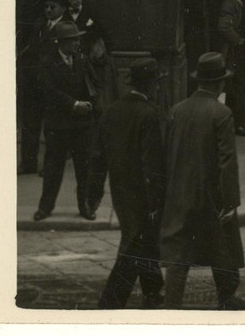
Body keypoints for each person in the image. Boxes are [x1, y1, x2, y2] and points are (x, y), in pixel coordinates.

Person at [160, 52, 245, 310]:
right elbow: (227, 162)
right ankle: (227, 298)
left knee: (179, 253)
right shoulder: (221, 113)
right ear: (220, 83)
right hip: (210, 194)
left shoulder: (177, 109)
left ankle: (171, 305)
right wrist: (230, 201)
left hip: (179, 191)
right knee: (223, 246)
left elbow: (167, 152)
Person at [92, 56, 167, 309]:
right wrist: (156, 200)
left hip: (120, 191)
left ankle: (153, 290)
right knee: (135, 245)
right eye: (156, 83)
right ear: (150, 85)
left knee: (143, 241)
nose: (158, 87)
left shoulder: (112, 110)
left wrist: (94, 192)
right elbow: (151, 164)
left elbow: (98, 156)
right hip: (143, 195)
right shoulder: (149, 115)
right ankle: (110, 302)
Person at [34, 19, 98, 221]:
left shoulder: (81, 60)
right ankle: (45, 207)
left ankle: (85, 206)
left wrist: (87, 105)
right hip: (58, 124)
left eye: (77, 40)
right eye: (73, 40)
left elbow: (91, 86)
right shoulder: (47, 62)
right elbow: (49, 91)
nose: (77, 43)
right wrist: (74, 104)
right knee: (53, 167)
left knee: (84, 168)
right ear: (61, 42)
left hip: (81, 124)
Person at [18, 0, 68, 174]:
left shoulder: (66, 27)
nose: (48, 10)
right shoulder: (40, 24)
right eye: (46, 6)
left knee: (52, 128)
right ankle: (28, 164)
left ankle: (50, 167)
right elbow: (31, 48)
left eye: (52, 7)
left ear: (62, 8)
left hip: (52, 83)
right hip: (33, 83)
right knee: (30, 124)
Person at [216, 0, 245, 136]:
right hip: (235, 52)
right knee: (237, 88)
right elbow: (224, 27)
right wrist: (238, 40)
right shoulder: (230, 4)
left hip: (241, 52)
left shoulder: (238, 4)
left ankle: (237, 123)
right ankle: (237, 124)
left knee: (238, 88)